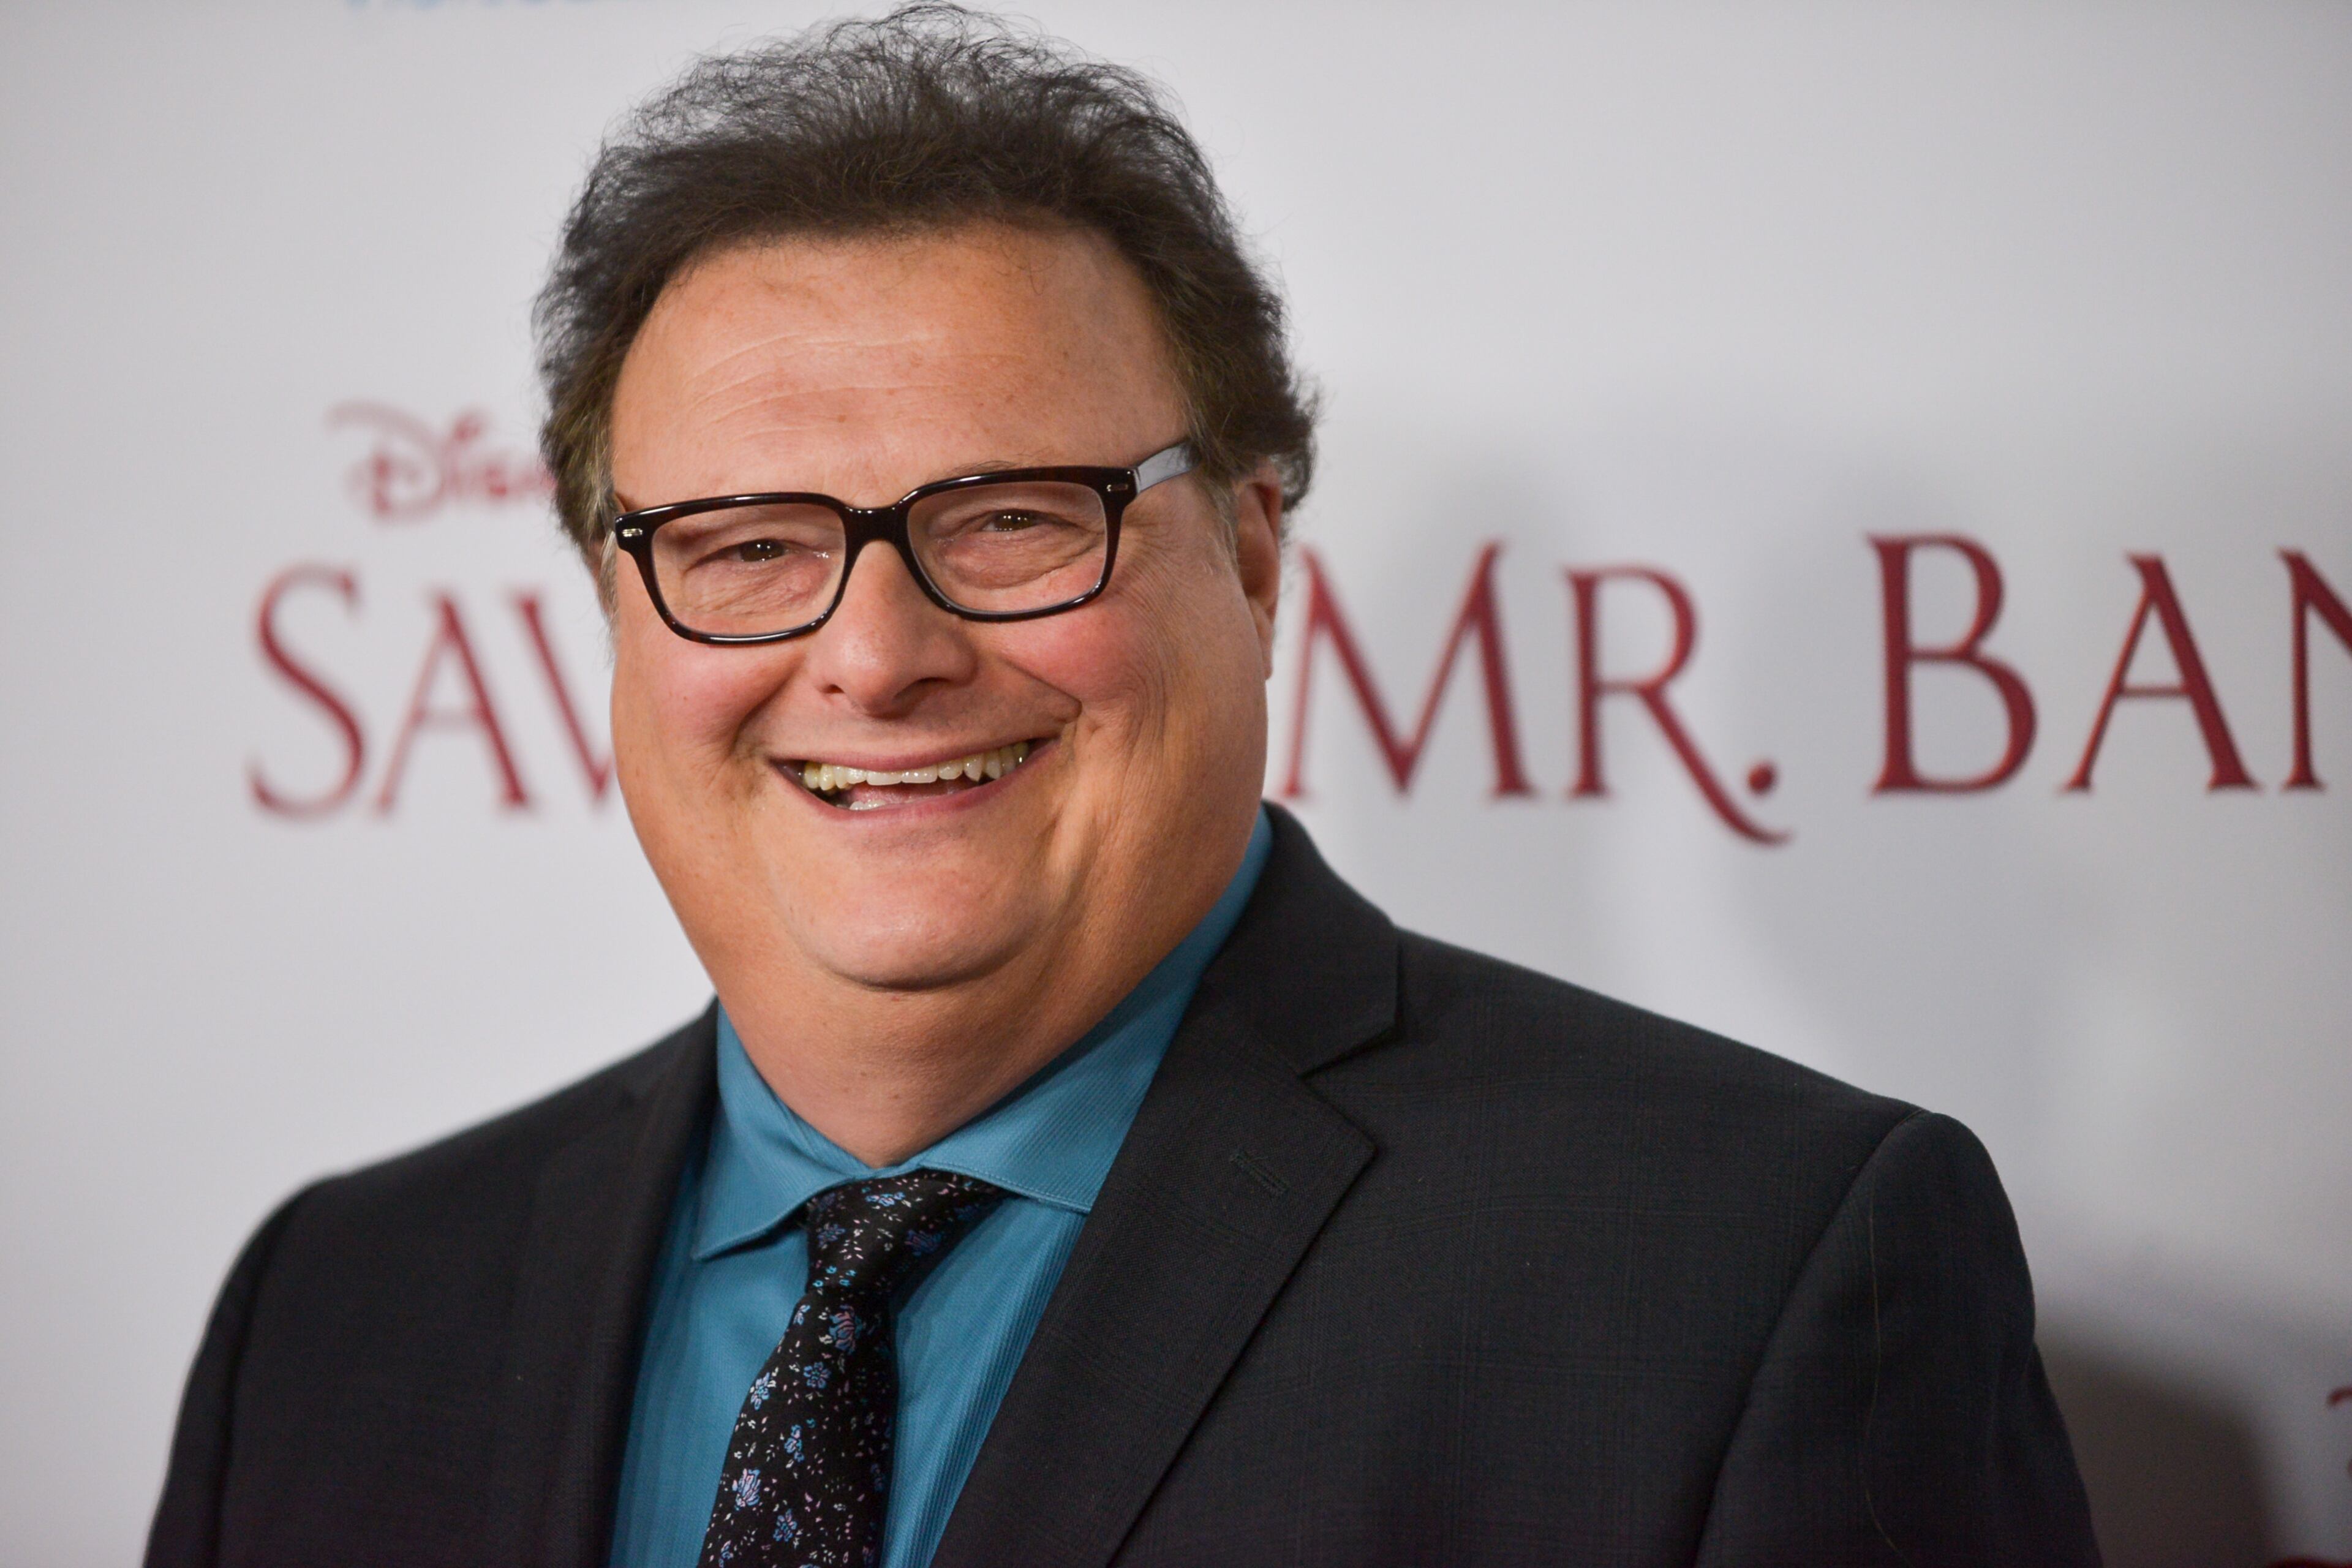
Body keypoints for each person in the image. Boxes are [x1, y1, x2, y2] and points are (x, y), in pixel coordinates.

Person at [146, 8, 2100, 1566]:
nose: (878, 651)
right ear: (616, 611)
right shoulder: (336, 1312)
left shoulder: (1746, 1277)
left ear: (1253, 560)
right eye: (744, 546)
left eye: (1009, 520)